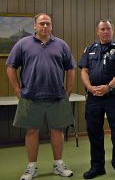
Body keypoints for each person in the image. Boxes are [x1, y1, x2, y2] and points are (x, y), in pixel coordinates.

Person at [6, 13, 76, 180]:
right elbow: (10, 67)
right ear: (35, 26)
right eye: (42, 23)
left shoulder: (61, 45)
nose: (45, 26)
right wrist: (17, 90)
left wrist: (68, 92)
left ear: (51, 26)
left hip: (57, 97)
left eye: (48, 24)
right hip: (30, 97)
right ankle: (31, 168)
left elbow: (71, 69)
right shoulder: (23, 44)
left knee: (57, 131)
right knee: (31, 132)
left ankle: (58, 164)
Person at [79, 20, 115, 180]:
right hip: (94, 97)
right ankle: (97, 166)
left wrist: (108, 87)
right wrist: (89, 87)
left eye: (108, 28)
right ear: (97, 31)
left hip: (113, 97)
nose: (105, 31)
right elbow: (84, 70)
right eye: (102, 29)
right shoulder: (90, 49)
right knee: (94, 133)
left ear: (112, 30)